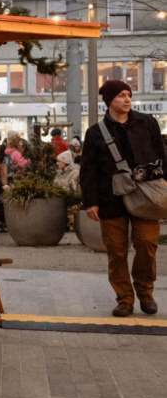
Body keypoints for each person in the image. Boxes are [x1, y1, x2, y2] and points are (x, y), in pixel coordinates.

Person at [80, 79, 166, 317]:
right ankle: (125, 299)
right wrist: (91, 202)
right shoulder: (96, 132)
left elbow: (162, 156)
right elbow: (88, 170)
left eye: (129, 94)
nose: (127, 99)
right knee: (116, 251)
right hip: (110, 199)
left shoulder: (147, 123)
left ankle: (145, 293)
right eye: (121, 96)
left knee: (147, 245)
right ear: (109, 101)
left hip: (146, 196)